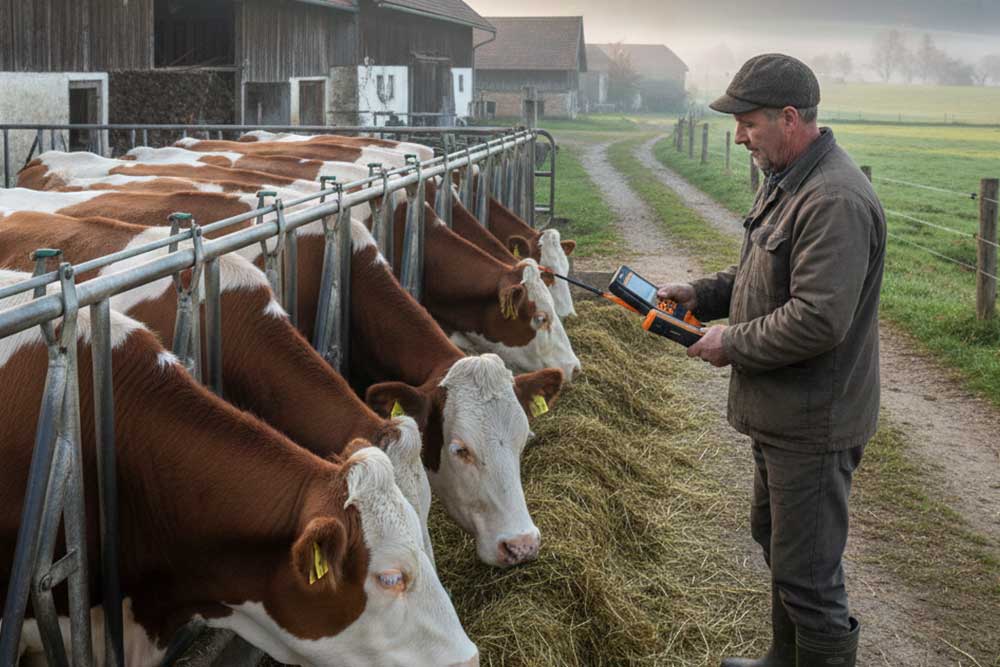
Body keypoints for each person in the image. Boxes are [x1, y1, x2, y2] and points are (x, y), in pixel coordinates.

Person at [658, 54, 886, 667]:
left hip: (814, 422)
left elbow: (818, 318)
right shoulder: (789, 181)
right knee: (779, 548)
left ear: (789, 118)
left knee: (809, 577)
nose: (738, 136)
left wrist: (730, 342)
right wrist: (703, 297)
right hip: (783, 413)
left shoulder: (833, 198)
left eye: (748, 122)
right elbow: (764, 275)